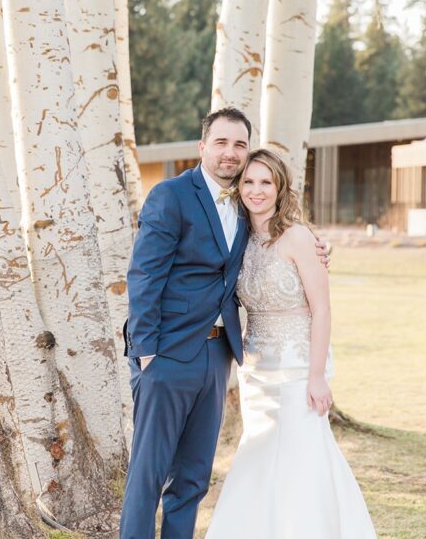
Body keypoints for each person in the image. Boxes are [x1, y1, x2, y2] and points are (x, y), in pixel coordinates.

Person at [119, 107, 329, 539]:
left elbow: (276, 254)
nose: (230, 153)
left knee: (194, 476)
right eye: (221, 142)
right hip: (167, 355)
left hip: (218, 356)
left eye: (239, 144)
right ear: (203, 147)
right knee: (149, 473)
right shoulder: (171, 195)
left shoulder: (244, 205)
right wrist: (146, 353)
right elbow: (143, 276)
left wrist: (319, 249)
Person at [205, 148, 375, 538]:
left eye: (266, 182)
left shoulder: (298, 237)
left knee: (304, 458)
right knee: (258, 456)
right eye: (248, 181)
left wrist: (317, 376)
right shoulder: (238, 239)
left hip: (298, 368)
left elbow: (323, 310)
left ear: (281, 188)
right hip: (256, 369)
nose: (256, 190)